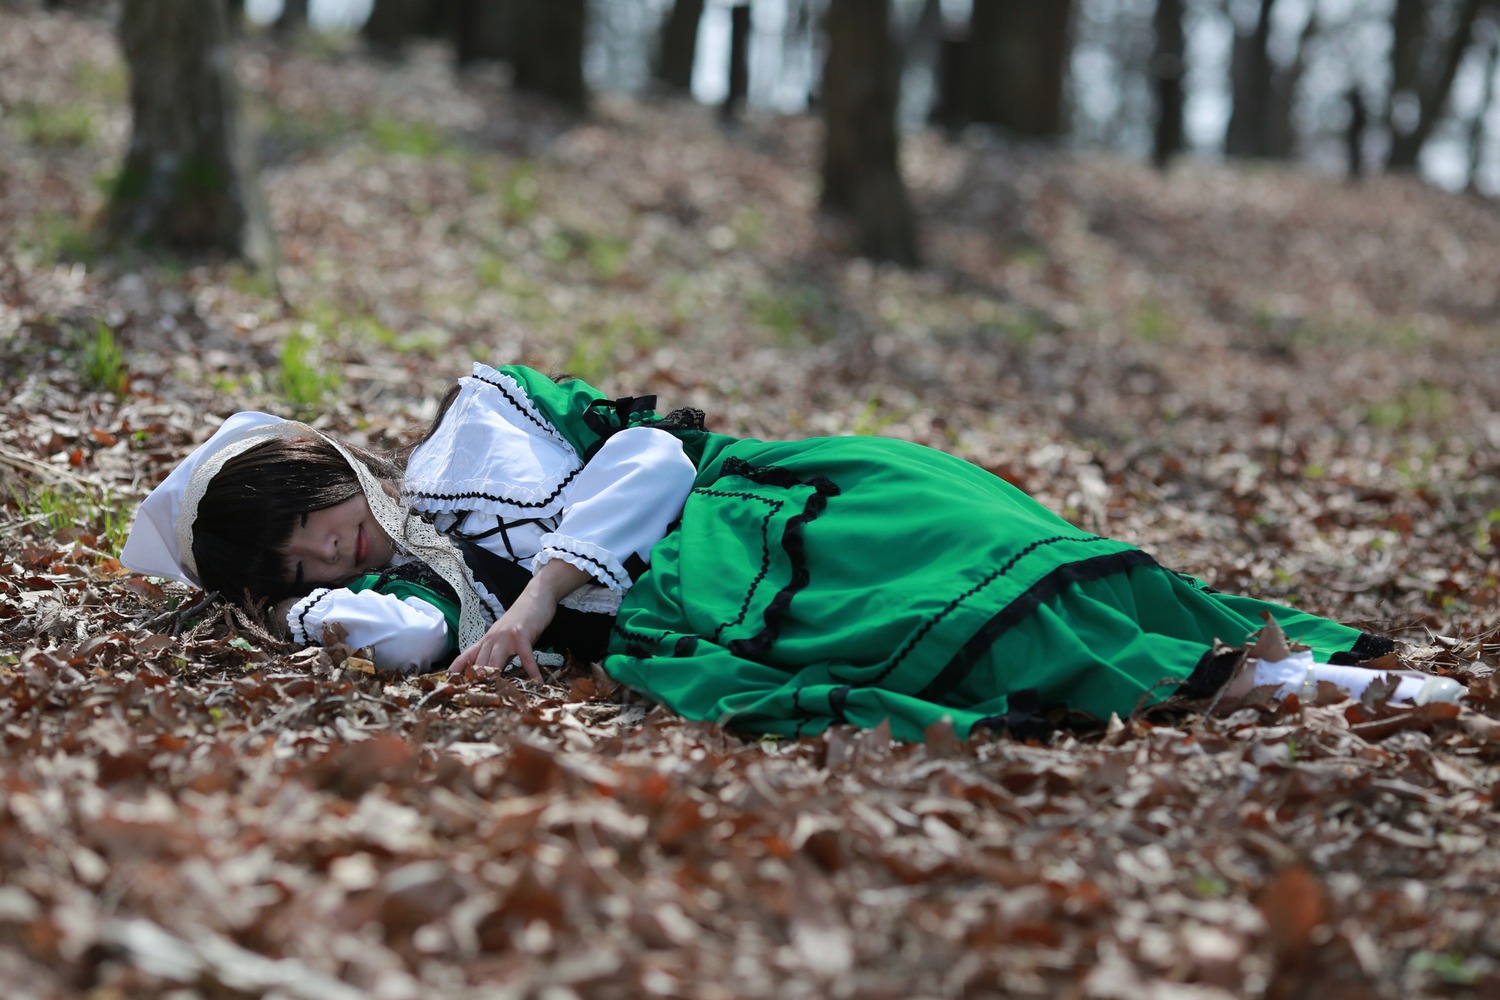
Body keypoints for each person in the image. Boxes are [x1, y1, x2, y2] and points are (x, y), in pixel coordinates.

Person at [122, 362, 1463, 742]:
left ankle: (1263, 669)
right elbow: (403, 638)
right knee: (903, 632)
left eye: (304, 526)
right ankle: (1262, 690)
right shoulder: (396, 585)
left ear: (317, 470)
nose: (324, 551)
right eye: (295, 565)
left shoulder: (473, 436)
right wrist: (307, 619)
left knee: (972, 543)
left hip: (754, 508)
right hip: (692, 613)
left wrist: (532, 603)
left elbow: (648, 464)